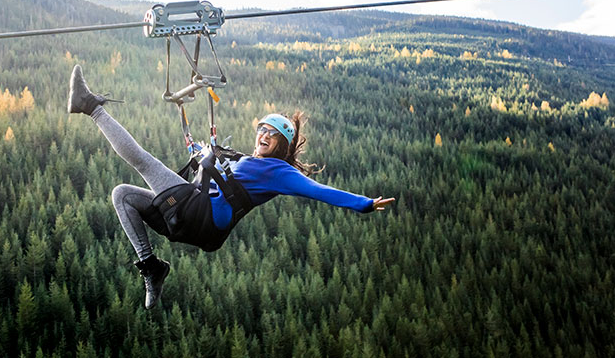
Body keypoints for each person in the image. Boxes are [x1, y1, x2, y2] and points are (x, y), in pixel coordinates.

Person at [67, 65, 395, 309]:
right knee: (122, 195)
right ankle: (152, 268)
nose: (263, 136)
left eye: (273, 134)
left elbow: (319, 190)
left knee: (141, 160)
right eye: (262, 129)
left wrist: (364, 203)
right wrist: (202, 154)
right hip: (198, 218)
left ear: (282, 145)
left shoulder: (279, 172)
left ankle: (90, 106)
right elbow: (218, 177)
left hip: (201, 216)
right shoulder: (244, 161)